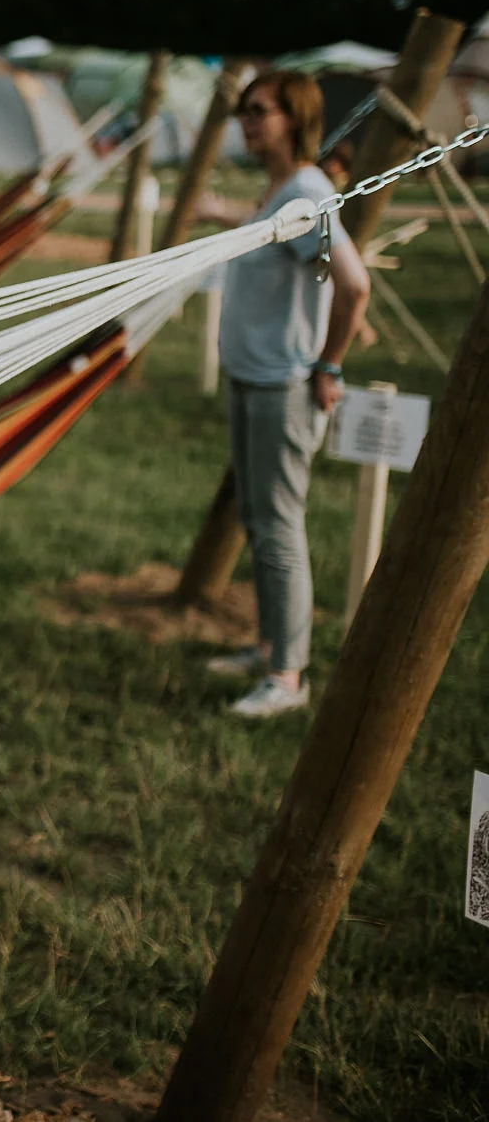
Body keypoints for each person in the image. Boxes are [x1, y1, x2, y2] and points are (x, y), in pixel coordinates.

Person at [194, 71, 370, 719]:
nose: (246, 121)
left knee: (278, 528)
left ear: (294, 117)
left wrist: (329, 365)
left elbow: (353, 285)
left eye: (259, 110)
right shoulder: (279, 190)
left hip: (283, 386)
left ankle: (287, 677)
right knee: (257, 520)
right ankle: (270, 646)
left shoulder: (306, 193)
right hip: (251, 379)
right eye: (242, 110)